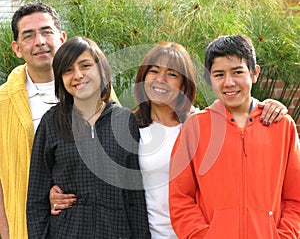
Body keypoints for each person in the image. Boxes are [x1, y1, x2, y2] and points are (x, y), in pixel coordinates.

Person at [48, 41, 288, 238]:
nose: (160, 80)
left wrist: (265, 106)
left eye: (171, 74)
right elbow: (97, 177)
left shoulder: (203, 124)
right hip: (148, 233)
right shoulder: (125, 126)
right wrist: (58, 194)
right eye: (154, 71)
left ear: (184, 83)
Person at [0, 2, 119, 239]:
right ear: (17, 48)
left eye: (46, 31)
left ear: (62, 37)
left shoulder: (95, 89)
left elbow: (116, 156)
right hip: (26, 227)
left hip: (93, 226)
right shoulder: (4, 103)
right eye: (29, 35)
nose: (40, 42)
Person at [169, 35, 300, 238]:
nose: (229, 83)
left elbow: (295, 197)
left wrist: (283, 236)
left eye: (237, 72)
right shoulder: (194, 128)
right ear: (209, 79)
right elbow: (180, 198)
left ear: (254, 73)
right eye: (219, 75)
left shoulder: (282, 127)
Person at [26, 36, 150, 238]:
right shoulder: (51, 123)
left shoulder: (123, 120)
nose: (77, 75)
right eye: (67, 70)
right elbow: (36, 200)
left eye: (85, 66)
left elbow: (135, 197)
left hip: (116, 232)